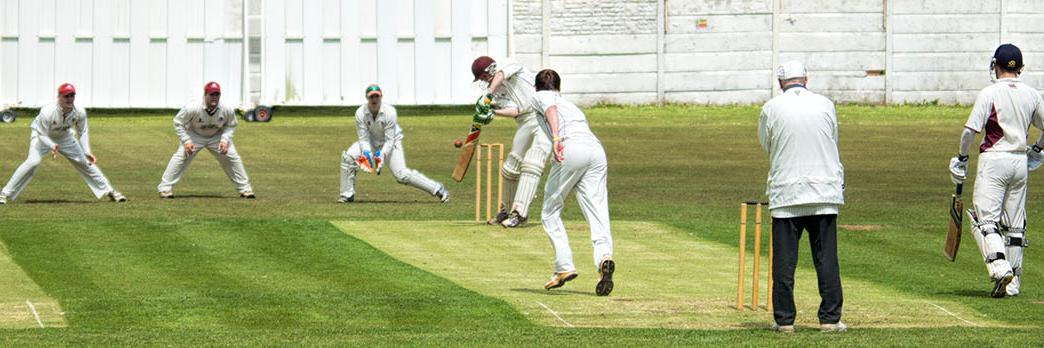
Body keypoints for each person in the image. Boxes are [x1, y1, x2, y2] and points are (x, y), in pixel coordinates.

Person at [758, 61, 846, 332]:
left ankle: (784, 321)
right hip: (824, 191)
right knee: (826, 259)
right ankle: (829, 320)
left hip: (787, 193)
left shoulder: (770, 108)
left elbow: (766, 144)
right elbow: (832, 138)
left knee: (784, 262)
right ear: (806, 79)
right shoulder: (825, 104)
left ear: (780, 82)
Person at [951, 43, 1042, 298]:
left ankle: (1000, 268)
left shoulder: (989, 93)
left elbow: (970, 131)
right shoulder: (1032, 94)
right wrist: (1036, 150)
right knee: (1014, 224)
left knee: (984, 219)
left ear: (996, 66)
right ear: (1020, 68)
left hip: (994, 159)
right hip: (1019, 162)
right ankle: (1013, 284)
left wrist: (961, 158)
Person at [531, 69, 615, 296]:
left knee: (550, 212)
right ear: (560, 86)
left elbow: (549, 109)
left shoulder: (542, 96)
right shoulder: (570, 104)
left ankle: (564, 267)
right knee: (597, 211)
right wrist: (493, 110)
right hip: (596, 152)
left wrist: (556, 139)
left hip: (570, 148)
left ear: (536, 87)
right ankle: (604, 258)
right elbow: (522, 111)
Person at [0, 83, 126, 204]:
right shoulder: (47, 111)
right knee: (33, 162)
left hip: (64, 137)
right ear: (59, 97)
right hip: (42, 136)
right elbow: (42, 134)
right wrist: (52, 145)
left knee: (85, 163)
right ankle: (4, 193)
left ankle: (110, 191)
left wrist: (86, 151)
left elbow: (82, 132)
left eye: (72, 95)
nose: (69, 99)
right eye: (66, 96)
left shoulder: (79, 112)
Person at [471, 56, 550, 227]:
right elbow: (515, 110)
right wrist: (492, 112)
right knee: (510, 168)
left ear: (490, 70)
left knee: (532, 164)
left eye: (484, 77)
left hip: (542, 117)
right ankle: (505, 211)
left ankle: (519, 214)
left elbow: (501, 74)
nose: (484, 81)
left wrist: (488, 95)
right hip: (524, 121)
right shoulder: (497, 93)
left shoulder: (507, 64)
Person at [338, 84, 448, 203]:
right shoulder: (360, 113)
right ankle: (347, 194)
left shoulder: (389, 112)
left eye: (377, 96)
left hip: (391, 142)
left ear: (381, 97)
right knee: (348, 157)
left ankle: (437, 188)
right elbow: (363, 139)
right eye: (371, 97)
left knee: (401, 175)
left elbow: (389, 140)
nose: (374, 99)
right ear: (367, 98)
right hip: (371, 142)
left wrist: (381, 155)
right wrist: (367, 155)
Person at [157, 82, 255, 198]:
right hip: (194, 134)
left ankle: (245, 190)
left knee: (233, 158)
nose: (214, 97)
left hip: (217, 136)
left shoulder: (227, 108)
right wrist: (186, 141)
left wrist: (224, 140)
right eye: (212, 94)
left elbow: (231, 125)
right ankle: (165, 189)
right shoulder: (192, 107)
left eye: (217, 95)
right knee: (180, 157)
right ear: (205, 95)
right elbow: (178, 123)